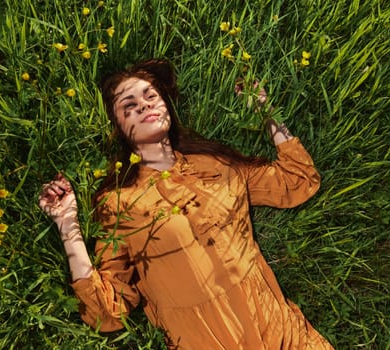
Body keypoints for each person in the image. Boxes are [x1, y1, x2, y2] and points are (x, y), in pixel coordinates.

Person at [39, 59, 333, 349]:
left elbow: (298, 181)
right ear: (117, 127)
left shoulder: (216, 164)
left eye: (150, 96)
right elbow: (108, 312)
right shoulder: (118, 201)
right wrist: (68, 225)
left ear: (166, 105)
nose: (143, 105)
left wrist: (266, 112)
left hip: (281, 331)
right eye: (129, 106)